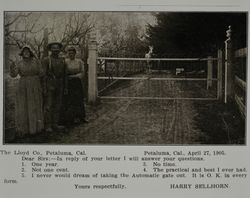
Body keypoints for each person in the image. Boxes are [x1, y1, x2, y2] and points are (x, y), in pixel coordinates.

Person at [9, 45, 44, 136]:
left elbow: (41, 73)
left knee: (34, 105)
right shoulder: (19, 63)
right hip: (23, 86)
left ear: (30, 52)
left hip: (35, 85)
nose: (26, 53)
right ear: (22, 54)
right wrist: (12, 68)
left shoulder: (36, 61)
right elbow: (14, 75)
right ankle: (25, 129)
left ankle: (35, 128)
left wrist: (39, 67)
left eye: (28, 52)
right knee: (24, 106)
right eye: (24, 52)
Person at [42, 42, 68, 132]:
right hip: (50, 85)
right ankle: (48, 125)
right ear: (50, 49)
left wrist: (65, 87)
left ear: (59, 49)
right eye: (53, 48)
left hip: (60, 85)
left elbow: (65, 75)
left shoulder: (62, 60)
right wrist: (44, 88)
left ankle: (55, 124)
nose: (55, 50)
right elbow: (44, 75)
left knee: (58, 105)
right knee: (49, 105)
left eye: (57, 48)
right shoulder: (46, 60)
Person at [64, 46, 88, 124]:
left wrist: (74, 76)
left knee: (79, 99)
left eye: (72, 53)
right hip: (69, 83)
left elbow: (82, 73)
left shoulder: (79, 61)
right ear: (68, 54)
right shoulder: (65, 62)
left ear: (75, 53)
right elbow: (64, 73)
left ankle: (81, 117)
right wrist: (68, 77)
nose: (71, 55)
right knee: (70, 100)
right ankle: (71, 118)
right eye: (69, 53)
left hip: (77, 82)